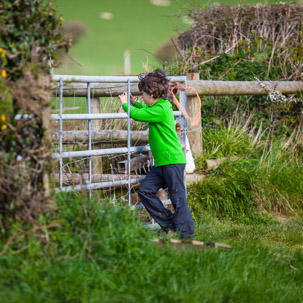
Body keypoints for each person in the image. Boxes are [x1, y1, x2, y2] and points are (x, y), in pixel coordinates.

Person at [118, 69, 194, 240]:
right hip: (161, 163)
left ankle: (186, 234)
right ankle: (171, 225)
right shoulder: (158, 107)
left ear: (151, 93)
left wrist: (125, 105)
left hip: (172, 162)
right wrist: (134, 103)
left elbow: (139, 115)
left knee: (178, 197)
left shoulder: (162, 109)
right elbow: (145, 110)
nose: (142, 96)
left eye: (143, 94)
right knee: (145, 191)